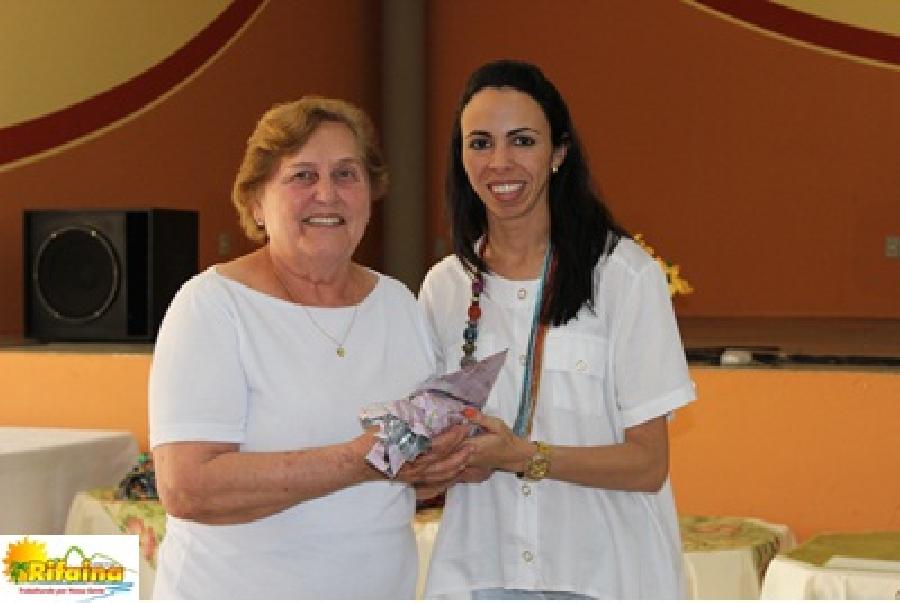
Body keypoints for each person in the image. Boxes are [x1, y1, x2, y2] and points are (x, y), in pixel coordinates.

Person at [148, 96, 468, 599]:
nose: (327, 194)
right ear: (256, 202)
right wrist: (362, 458)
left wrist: (442, 463)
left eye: (346, 174)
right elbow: (188, 488)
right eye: (302, 176)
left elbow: (417, 479)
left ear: (370, 195)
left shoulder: (398, 305)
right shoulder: (213, 306)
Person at [418, 60, 697, 599]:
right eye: (480, 143)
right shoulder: (445, 288)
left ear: (558, 153)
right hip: (484, 575)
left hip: (606, 578)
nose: (500, 162)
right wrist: (440, 463)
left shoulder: (623, 276)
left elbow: (648, 464)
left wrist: (523, 456)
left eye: (522, 141)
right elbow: (431, 447)